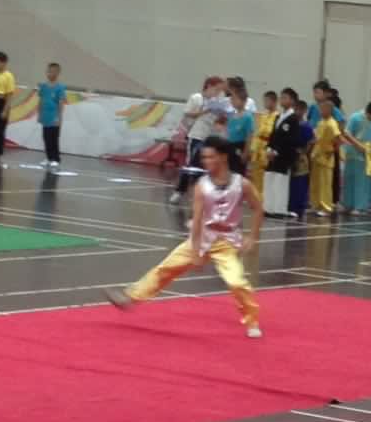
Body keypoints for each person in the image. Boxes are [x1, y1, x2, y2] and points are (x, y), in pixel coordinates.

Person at [107, 137, 264, 338]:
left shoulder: (242, 184)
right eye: (204, 157)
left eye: (211, 157)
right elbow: (197, 219)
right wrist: (196, 251)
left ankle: (252, 320)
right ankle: (129, 297)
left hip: (226, 241)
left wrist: (252, 237)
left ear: (223, 157)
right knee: (166, 268)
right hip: (202, 237)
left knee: (236, 282)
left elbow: (258, 208)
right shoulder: (201, 186)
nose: (206, 161)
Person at [172, 75, 226, 204]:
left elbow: (222, 118)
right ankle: (179, 191)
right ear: (209, 86)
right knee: (191, 164)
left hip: (211, 137)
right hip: (197, 135)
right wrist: (205, 110)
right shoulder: (197, 98)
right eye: (216, 89)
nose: (218, 92)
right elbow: (187, 113)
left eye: (220, 90)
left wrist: (222, 116)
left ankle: (202, 194)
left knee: (207, 166)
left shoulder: (219, 102)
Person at [341, 100, 371, 214]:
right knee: (349, 178)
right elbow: (347, 133)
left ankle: (360, 206)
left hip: (366, 155)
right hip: (352, 152)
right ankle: (348, 204)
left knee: (363, 181)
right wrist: (358, 145)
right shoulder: (355, 117)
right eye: (370, 116)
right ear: (367, 110)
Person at [263, 87, 301, 218]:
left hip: (284, 155)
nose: (282, 100)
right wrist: (269, 149)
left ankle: (279, 209)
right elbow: (273, 135)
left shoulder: (294, 118)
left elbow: (290, 139)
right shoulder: (279, 116)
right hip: (272, 154)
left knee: (280, 181)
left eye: (285, 98)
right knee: (269, 178)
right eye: (281, 97)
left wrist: (277, 151)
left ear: (292, 101)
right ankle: (268, 207)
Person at [310, 96, 341, 216]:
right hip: (317, 155)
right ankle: (316, 204)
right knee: (316, 183)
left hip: (326, 157)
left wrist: (331, 152)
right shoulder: (321, 122)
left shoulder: (332, 124)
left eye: (323, 109)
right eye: (320, 109)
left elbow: (337, 140)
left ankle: (326, 207)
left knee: (325, 184)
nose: (320, 111)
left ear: (329, 110)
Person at [36, 61, 66, 171]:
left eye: (53, 72)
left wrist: (58, 117)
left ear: (57, 73)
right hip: (45, 116)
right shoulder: (43, 87)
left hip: (54, 117)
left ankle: (55, 159)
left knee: (54, 138)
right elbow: (41, 101)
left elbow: (61, 104)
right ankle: (48, 158)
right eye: (49, 71)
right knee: (46, 138)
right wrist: (39, 114)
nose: (50, 74)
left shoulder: (60, 87)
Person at [289, 99, 314, 220]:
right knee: (291, 183)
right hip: (290, 155)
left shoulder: (306, 126)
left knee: (300, 183)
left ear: (304, 111)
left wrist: (303, 152)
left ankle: (300, 207)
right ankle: (290, 206)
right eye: (295, 109)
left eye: (299, 109)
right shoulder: (291, 123)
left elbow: (311, 142)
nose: (297, 112)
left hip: (301, 157)